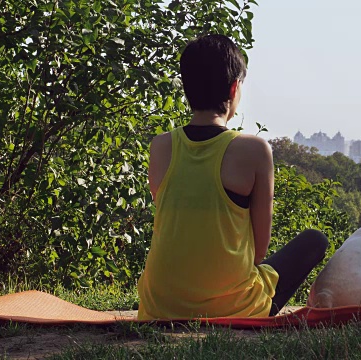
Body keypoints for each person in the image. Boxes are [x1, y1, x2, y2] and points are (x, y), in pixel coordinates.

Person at [137, 34, 329, 320]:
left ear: (186, 88)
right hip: (232, 309)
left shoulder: (161, 146)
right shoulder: (253, 149)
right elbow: (260, 251)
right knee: (315, 240)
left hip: (159, 306)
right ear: (234, 87)